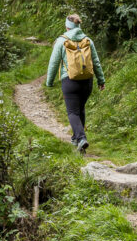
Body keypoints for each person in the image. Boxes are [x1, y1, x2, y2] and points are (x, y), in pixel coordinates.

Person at [45, 13, 105, 153]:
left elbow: (53, 63)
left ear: (67, 27)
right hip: (87, 81)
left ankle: (81, 138)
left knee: (72, 112)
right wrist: (101, 80)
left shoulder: (61, 41)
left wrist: (49, 82)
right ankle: (76, 139)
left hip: (70, 81)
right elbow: (96, 62)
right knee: (80, 109)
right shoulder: (88, 40)